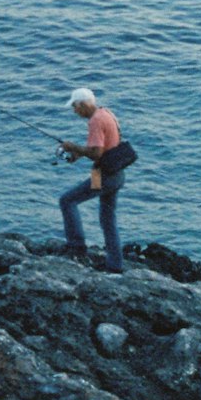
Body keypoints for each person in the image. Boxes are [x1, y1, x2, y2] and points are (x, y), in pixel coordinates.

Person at [59, 87, 126, 272]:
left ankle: (76, 247)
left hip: (103, 175)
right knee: (107, 219)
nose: (75, 111)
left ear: (83, 104)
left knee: (67, 200)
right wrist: (77, 154)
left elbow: (96, 152)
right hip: (116, 173)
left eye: (75, 107)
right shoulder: (106, 113)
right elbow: (101, 147)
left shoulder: (95, 120)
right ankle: (115, 265)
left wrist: (72, 146)